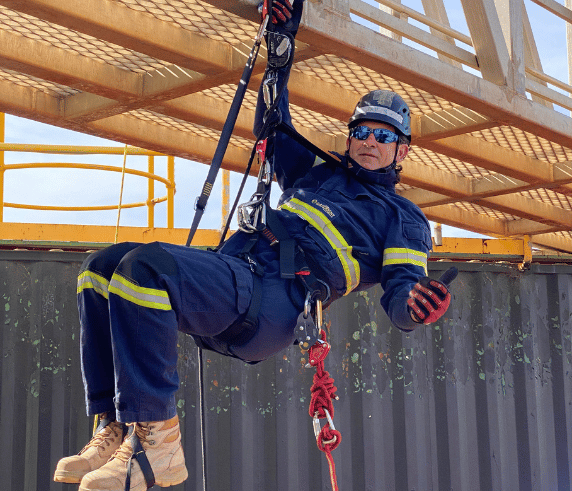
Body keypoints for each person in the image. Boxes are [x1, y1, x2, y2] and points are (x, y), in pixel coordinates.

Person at [53, 1, 454, 489]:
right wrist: (279, 49)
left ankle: (160, 448)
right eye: (361, 131)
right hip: (235, 270)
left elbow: (401, 294)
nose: (369, 141)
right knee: (99, 267)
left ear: (402, 150)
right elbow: (271, 124)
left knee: (144, 269)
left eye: (384, 136)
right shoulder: (317, 173)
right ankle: (114, 426)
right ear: (350, 137)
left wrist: (415, 305)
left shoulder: (401, 217)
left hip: (273, 299)